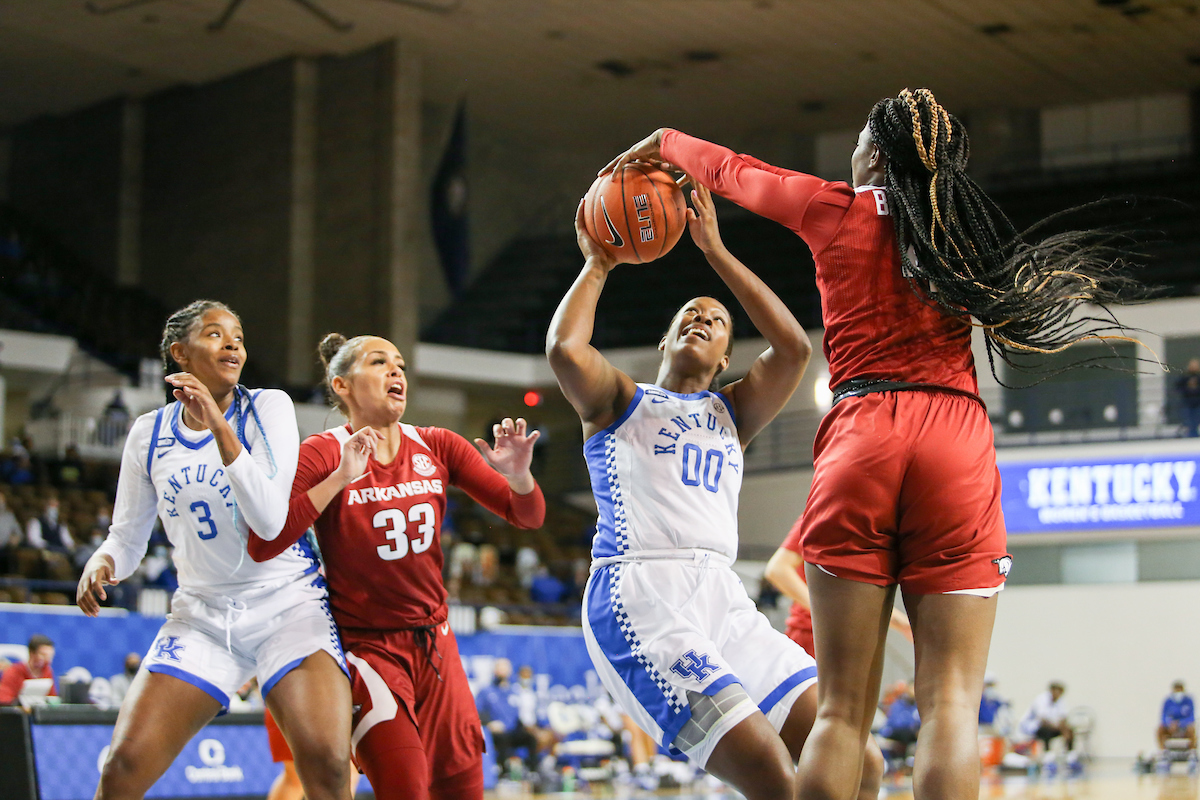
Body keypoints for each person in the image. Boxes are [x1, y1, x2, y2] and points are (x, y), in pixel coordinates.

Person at [603, 87, 1146, 800]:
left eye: (861, 136)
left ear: (876, 155)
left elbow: (735, 172)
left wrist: (666, 138)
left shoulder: (833, 207)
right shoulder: (962, 231)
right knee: (949, 706)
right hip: (953, 434)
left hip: (864, 431)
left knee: (840, 713)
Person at [547, 180, 882, 800]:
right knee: (772, 777)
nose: (702, 319)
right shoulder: (622, 400)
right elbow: (565, 348)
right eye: (690, 315)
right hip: (641, 595)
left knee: (861, 763)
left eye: (716, 319)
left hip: (721, 597)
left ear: (727, 354)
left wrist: (715, 249)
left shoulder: (733, 412)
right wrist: (598, 263)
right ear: (665, 341)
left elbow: (794, 347)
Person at [247, 331, 546, 800]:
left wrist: (521, 476)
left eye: (401, 364)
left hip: (438, 646)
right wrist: (341, 478)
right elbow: (265, 542)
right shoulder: (322, 452)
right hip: (371, 649)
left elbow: (527, 515)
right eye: (379, 362)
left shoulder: (437, 444)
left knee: (463, 791)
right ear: (342, 385)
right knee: (406, 788)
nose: (396, 371)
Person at [76, 300, 353, 800]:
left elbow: (270, 520)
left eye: (239, 337)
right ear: (180, 352)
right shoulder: (148, 433)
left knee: (329, 766)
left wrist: (219, 426)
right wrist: (103, 561)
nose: (233, 345)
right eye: (215, 334)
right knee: (122, 768)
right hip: (203, 614)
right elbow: (127, 537)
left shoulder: (269, 407)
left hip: (287, 605)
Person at [763, 521, 912, 656]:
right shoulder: (822, 515)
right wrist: (825, 611)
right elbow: (777, 569)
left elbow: (855, 600)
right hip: (814, 635)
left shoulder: (871, 527)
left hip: (851, 635)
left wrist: (903, 624)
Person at [476, 658, 542, 776]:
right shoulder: (486, 691)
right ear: (494, 671)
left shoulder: (514, 692)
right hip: (496, 733)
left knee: (530, 738)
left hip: (512, 730)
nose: (503, 672)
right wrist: (489, 723)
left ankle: (533, 772)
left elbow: (520, 715)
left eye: (505, 669)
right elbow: (477, 712)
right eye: (500, 669)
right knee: (502, 739)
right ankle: (504, 772)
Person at [0, 634, 57, 705]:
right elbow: (4, 698)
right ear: (32, 653)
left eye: (50, 656)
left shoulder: (47, 671)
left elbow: (51, 698)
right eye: (43, 655)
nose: (48, 660)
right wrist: (19, 705)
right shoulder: (13, 671)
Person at [1020, 681, 1073, 753]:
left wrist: (1065, 731)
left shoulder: (1061, 701)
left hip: (1053, 727)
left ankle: (1069, 753)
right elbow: (1043, 720)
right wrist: (1058, 728)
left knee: (1070, 731)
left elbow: (1063, 718)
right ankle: (1047, 753)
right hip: (1034, 727)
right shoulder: (1041, 699)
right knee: (1046, 731)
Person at [1159, 681, 1196, 750]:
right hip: (1171, 727)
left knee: (1192, 729)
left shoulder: (1188, 701)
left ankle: (1192, 750)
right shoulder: (1168, 701)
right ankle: (1162, 751)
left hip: (1184, 727)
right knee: (1160, 730)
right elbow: (1163, 716)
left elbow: (1191, 717)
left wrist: (1180, 723)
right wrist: (1170, 724)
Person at [1177, 359, 1200, 437]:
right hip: (1188, 402)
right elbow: (1178, 387)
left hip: (1198, 402)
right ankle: (1191, 435)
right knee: (1189, 420)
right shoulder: (1185, 377)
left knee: (1197, 420)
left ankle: (1195, 434)